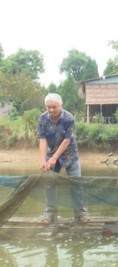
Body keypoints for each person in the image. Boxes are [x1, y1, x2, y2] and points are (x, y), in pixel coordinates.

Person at [37, 93, 89, 225]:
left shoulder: (69, 118)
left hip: (70, 154)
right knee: (50, 184)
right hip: (51, 155)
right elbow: (42, 140)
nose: (51, 110)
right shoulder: (42, 119)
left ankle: (80, 214)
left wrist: (54, 158)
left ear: (61, 105)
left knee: (76, 183)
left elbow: (67, 141)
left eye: (54, 107)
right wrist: (43, 160)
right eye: (48, 107)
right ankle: (50, 214)